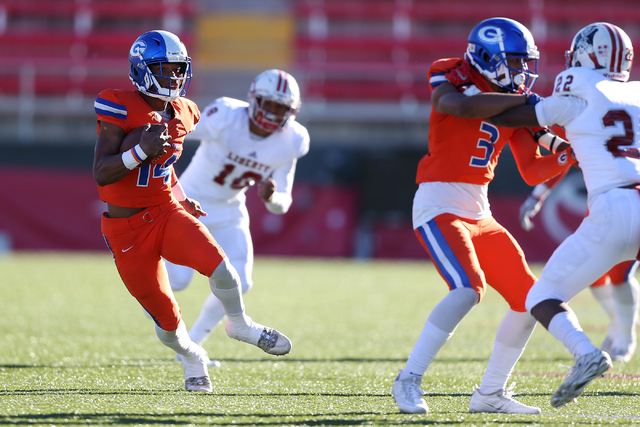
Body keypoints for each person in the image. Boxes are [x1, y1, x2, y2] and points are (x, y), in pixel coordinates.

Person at [391, 17, 575, 415]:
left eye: (526, 63)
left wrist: (566, 154)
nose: (523, 73)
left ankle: (490, 393)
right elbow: (457, 105)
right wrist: (531, 106)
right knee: (467, 288)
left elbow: (533, 170)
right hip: (439, 204)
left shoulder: (516, 97)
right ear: (487, 56)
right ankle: (409, 378)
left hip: (480, 210)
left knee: (529, 299)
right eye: (515, 61)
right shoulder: (451, 72)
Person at [92, 30, 292, 393]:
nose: (174, 77)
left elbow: (164, 166)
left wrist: (180, 196)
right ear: (142, 68)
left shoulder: (185, 111)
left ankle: (240, 324)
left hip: (164, 210)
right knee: (167, 323)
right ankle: (191, 355)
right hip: (125, 230)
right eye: (165, 69)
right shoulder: (117, 104)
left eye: (179, 69)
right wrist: (140, 151)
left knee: (224, 270)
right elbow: (102, 172)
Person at [490, 22, 640, 407]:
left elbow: (519, 118)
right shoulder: (634, 95)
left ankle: (586, 353)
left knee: (542, 295)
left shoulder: (578, 90)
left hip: (614, 206)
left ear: (588, 56)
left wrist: (493, 100)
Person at [163, 69, 309, 366]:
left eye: (280, 108)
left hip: (229, 209)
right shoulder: (226, 115)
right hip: (188, 202)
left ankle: (191, 347)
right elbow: (176, 133)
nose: (272, 113)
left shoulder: (292, 140)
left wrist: (271, 196)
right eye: (268, 104)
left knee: (241, 282)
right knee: (176, 281)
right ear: (254, 100)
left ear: (291, 112)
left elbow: (283, 203)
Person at [520, 171, 639, 362]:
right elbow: (563, 156)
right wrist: (537, 194)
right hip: (601, 201)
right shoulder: (585, 141)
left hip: (630, 198)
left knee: (620, 274)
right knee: (594, 273)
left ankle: (625, 334)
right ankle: (618, 324)